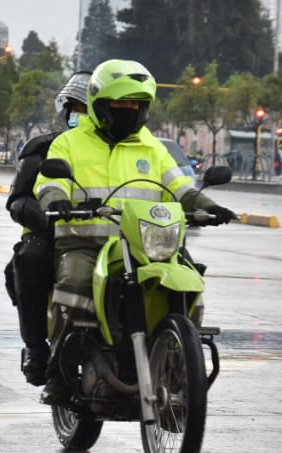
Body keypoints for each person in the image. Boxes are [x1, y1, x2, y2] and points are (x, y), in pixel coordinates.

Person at [34, 59, 236, 404]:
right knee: (75, 283)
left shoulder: (152, 147)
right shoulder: (69, 143)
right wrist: (58, 201)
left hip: (145, 243)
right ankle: (59, 371)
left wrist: (208, 205)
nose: (128, 111)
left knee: (189, 281)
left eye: (135, 105)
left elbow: (180, 188)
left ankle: (178, 370)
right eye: (120, 104)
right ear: (99, 106)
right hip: (85, 242)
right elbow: (50, 182)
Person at [5, 71, 89, 386]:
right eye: (77, 110)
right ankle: (36, 348)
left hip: (111, 234)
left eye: (89, 110)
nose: (83, 117)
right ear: (65, 111)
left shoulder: (127, 149)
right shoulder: (44, 148)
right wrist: (48, 217)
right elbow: (17, 201)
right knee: (30, 260)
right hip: (53, 234)